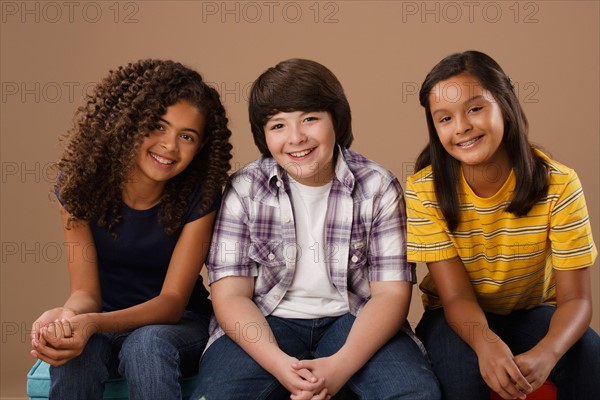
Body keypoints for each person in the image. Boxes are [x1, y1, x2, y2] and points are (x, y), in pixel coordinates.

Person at [192, 58, 440, 400]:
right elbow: (230, 295)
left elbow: (391, 294)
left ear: (335, 120)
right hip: (266, 319)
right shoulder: (246, 188)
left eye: (310, 119)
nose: (296, 138)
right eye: (278, 125)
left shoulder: (378, 186)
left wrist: (339, 367)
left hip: (354, 318)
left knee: (415, 393)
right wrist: (280, 365)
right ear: (263, 134)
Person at [29, 59, 233, 400]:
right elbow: (86, 294)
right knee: (78, 353)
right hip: (102, 318)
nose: (170, 146)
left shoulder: (201, 195)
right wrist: (68, 317)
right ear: (127, 123)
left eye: (186, 136)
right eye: (158, 126)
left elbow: (170, 303)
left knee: (146, 343)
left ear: (200, 146)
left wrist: (92, 322)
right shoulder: (79, 187)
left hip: (179, 324)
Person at [406, 50, 599, 400]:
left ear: (505, 106)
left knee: (591, 359)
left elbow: (576, 299)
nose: (461, 126)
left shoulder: (560, 184)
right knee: (461, 377)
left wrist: (548, 353)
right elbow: (456, 296)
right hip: (457, 318)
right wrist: (487, 345)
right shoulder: (423, 191)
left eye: (475, 109)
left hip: (533, 311)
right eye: (444, 118)